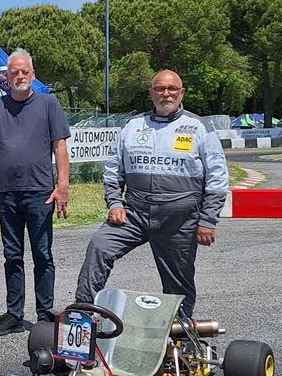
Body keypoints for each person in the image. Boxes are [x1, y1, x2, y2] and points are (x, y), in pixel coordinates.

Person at [74, 70, 228, 321]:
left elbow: (218, 178)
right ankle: (83, 314)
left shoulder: (199, 127)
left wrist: (208, 220)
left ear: (181, 93)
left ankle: (180, 329)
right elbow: (113, 171)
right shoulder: (133, 126)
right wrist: (114, 203)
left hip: (179, 219)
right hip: (134, 214)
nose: (166, 94)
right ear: (151, 93)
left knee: (179, 280)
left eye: (172, 89)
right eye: (160, 89)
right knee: (100, 246)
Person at [0, 48, 71, 332]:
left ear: (33, 74)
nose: (19, 76)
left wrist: (63, 185)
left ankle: (44, 313)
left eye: (24, 71)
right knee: (12, 255)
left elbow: (60, 146)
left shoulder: (49, 104)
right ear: (7, 77)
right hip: (7, 192)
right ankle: (14, 314)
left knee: (43, 254)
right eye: (14, 72)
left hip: (41, 192)